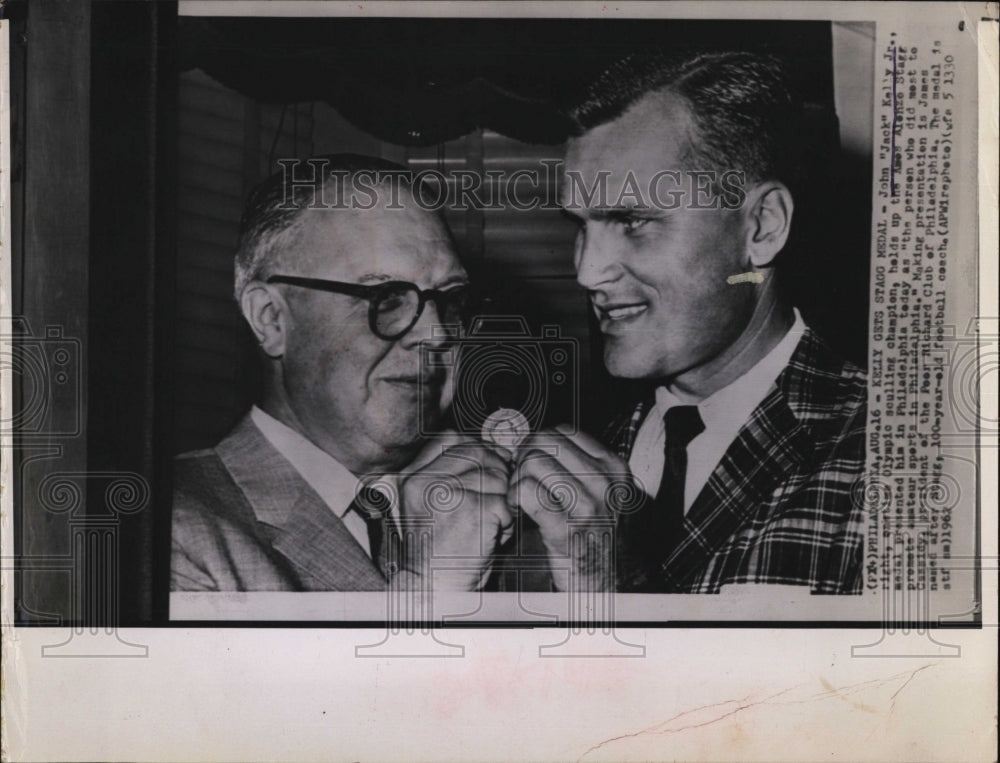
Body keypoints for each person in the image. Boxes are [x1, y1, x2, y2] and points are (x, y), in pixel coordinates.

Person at [511, 51, 866, 594]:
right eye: (580, 227)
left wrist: (615, 586)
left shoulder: (895, 458)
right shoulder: (582, 459)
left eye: (632, 219)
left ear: (762, 227)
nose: (586, 272)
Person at [171, 154, 513, 592]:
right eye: (387, 298)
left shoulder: (501, 503)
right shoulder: (173, 531)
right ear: (271, 319)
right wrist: (432, 589)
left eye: (449, 300)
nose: (436, 333)